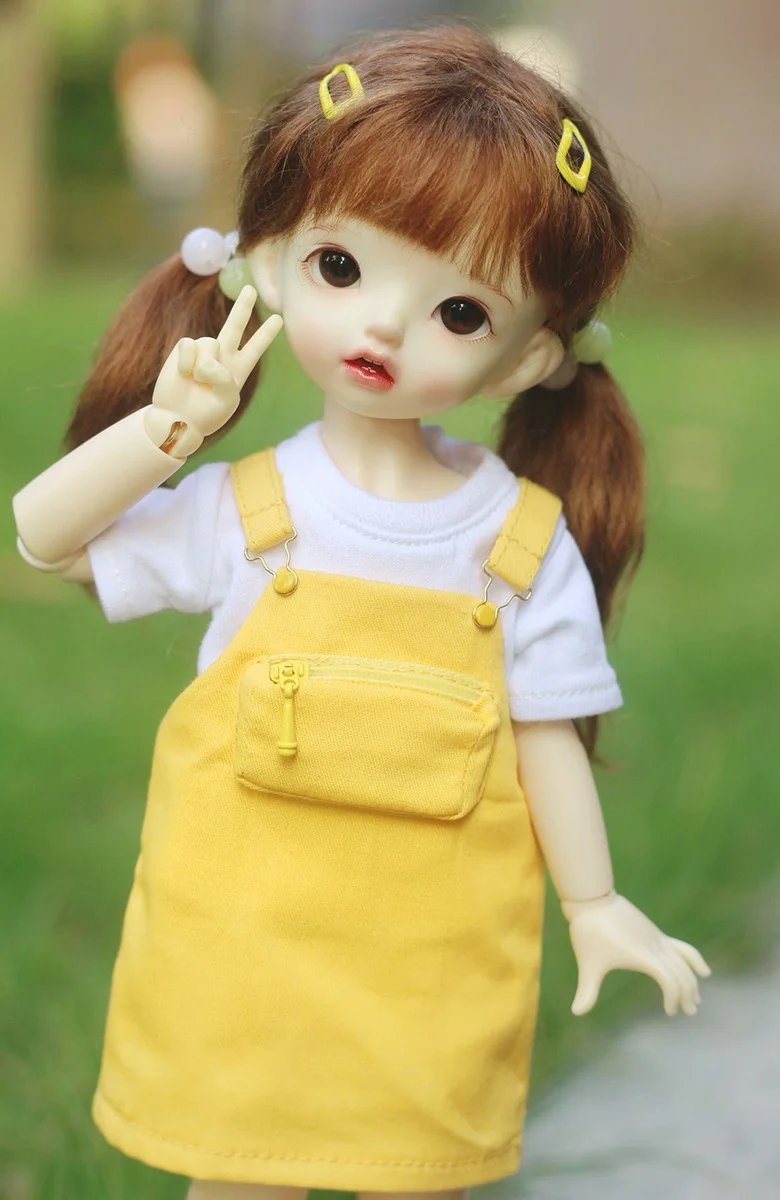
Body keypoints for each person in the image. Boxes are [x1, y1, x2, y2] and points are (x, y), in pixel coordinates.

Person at [12, 25, 709, 1200]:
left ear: (528, 358)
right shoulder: (250, 509)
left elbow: (543, 735)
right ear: (268, 261)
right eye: (342, 267)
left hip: (432, 958)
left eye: (459, 312)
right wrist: (164, 435)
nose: (382, 326)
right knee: (239, 1172)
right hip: (240, 943)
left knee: (415, 1169)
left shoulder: (516, 543)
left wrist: (592, 903)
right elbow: (48, 537)